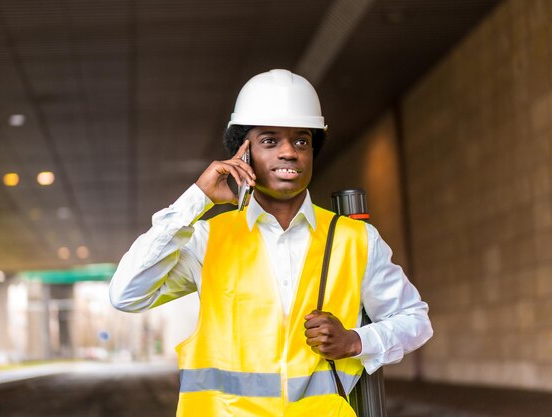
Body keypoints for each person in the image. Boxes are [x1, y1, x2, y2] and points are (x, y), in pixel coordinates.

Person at [109, 69, 433, 417]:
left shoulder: (355, 239)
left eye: (301, 141)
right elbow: (127, 293)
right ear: (242, 154)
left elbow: (415, 321)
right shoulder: (208, 239)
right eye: (269, 141)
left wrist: (356, 341)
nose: (289, 152)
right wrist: (197, 199)